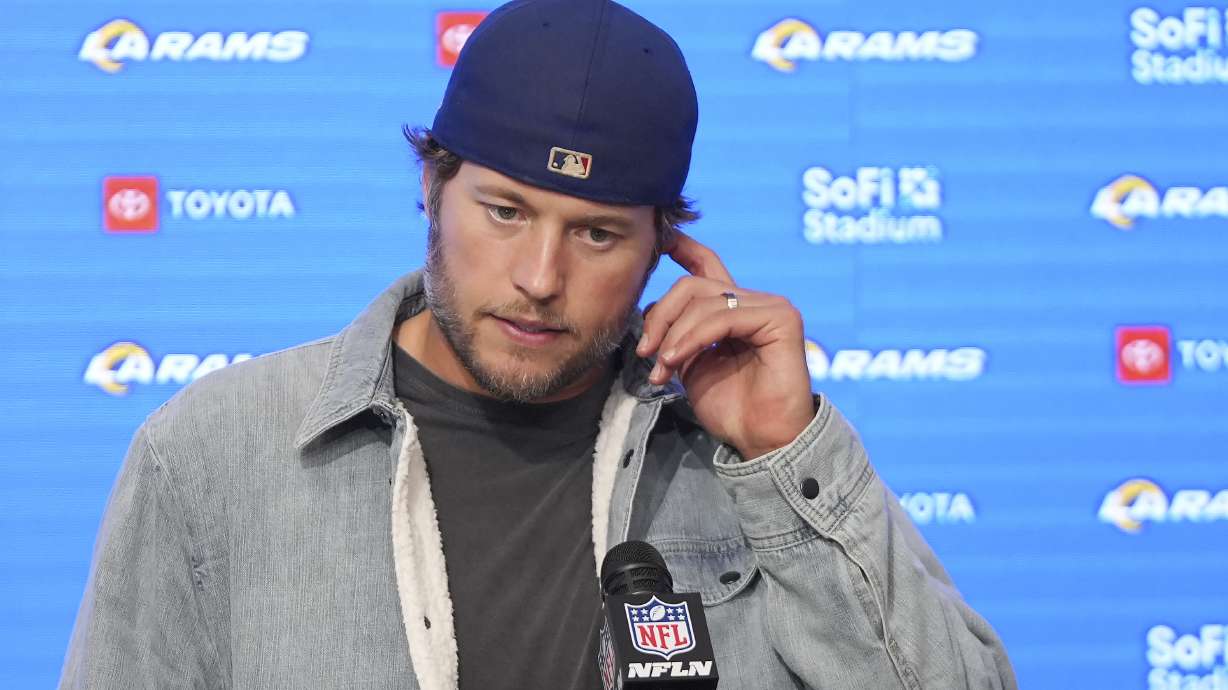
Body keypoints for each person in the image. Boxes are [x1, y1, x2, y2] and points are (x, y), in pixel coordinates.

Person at [59, 0, 1017, 688]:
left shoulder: (743, 456)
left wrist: (783, 452)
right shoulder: (214, 452)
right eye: (505, 211)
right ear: (432, 189)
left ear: (664, 246)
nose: (540, 276)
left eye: (596, 233)